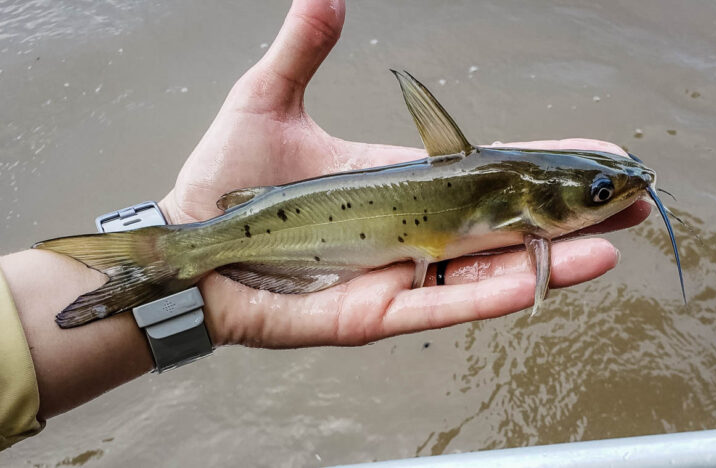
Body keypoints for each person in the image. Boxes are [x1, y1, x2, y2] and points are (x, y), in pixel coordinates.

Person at [0, 0, 649, 450]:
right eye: (601, 192)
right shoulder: (520, 202)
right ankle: (172, 250)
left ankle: (167, 250)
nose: (613, 198)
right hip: (243, 235)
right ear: (539, 205)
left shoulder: (514, 194)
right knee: (181, 248)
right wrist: (178, 235)